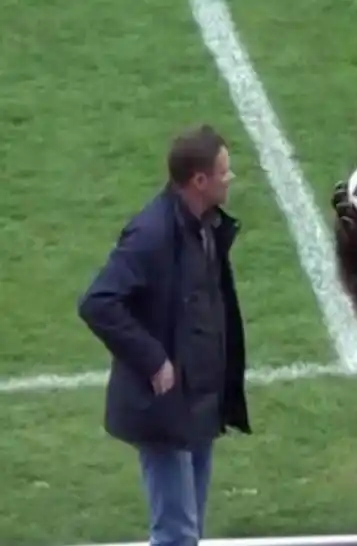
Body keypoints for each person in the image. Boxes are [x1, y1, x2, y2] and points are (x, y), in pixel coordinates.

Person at [77, 124, 252, 546]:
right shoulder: (151, 235)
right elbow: (98, 302)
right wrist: (153, 359)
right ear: (200, 181)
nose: (230, 179)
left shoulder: (205, 225)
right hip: (165, 407)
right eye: (224, 171)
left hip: (200, 402)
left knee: (187, 531)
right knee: (176, 533)